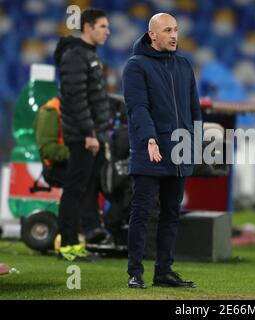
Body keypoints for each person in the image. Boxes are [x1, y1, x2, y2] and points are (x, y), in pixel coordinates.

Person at [123, 13, 202, 289]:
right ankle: (135, 272)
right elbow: (138, 107)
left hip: (180, 150)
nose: (174, 35)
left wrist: (197, 140)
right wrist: (150, 139)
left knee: (171, 212)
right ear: (152, 35)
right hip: (150, 149)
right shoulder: (136, 66)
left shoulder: (183, 65)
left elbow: (194, 108)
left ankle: (164, 271)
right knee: (142, 212)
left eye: (176, 30)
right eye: (167, 30)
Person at [53, 8, 111, 261]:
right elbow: (76, 99)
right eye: (102, 27)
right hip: (82, 136)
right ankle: (67, 246)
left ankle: (76, 243)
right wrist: (89, 133)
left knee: (83, 191)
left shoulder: (89, 55)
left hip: (93, 135)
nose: (107, 31)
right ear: (87, 28)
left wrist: (100, 135)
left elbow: (94, 99)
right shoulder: (76, 56)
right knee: (74, 190)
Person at [34, 97, 109, 244]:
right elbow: (47, 149)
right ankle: (89, 229)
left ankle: (103, 227)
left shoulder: (83, 113)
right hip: (56, 166)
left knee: (103, 179)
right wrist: (78, 155)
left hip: (80, 162)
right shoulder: (51, 111)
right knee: (82, 184)